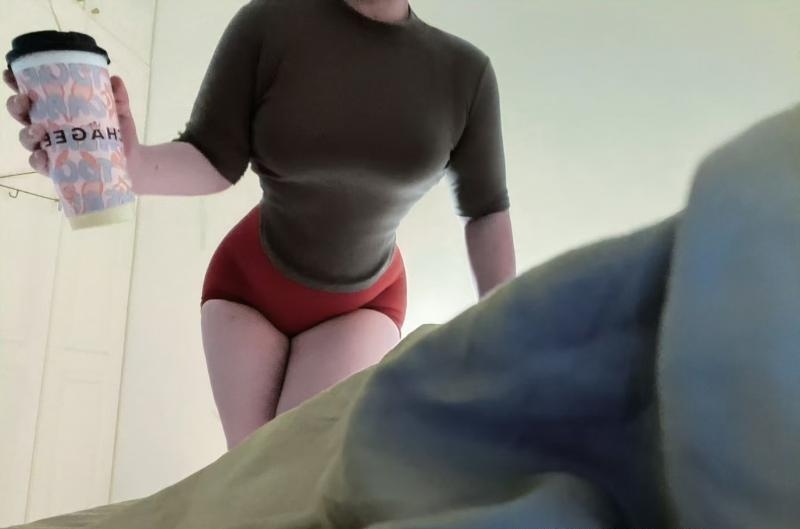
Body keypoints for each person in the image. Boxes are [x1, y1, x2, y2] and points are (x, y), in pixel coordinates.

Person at [4, 0, 516, 449]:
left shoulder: (465, 73)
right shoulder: (269, 23)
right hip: (247, 284)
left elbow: (487, 210)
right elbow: (212, 159)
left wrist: (510, 335)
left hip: (363, 303)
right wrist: (126, 164)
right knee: (247, 467)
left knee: (288, 472)